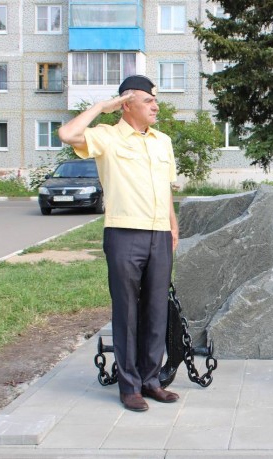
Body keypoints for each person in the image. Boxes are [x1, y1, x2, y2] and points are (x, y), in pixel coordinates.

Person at [58, 75, 180, 412]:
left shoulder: (162, 141)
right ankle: (129, 387)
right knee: (126, 311)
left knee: (156, 311)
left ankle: (151, 380)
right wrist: (102, 106)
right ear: (126, 105)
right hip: (124, 233)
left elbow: (166, 188)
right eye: (147, 100)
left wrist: (173, 227)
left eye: (155, 100)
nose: (155, 106)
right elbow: (67, 134)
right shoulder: (106, 138)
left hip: (159, 235)